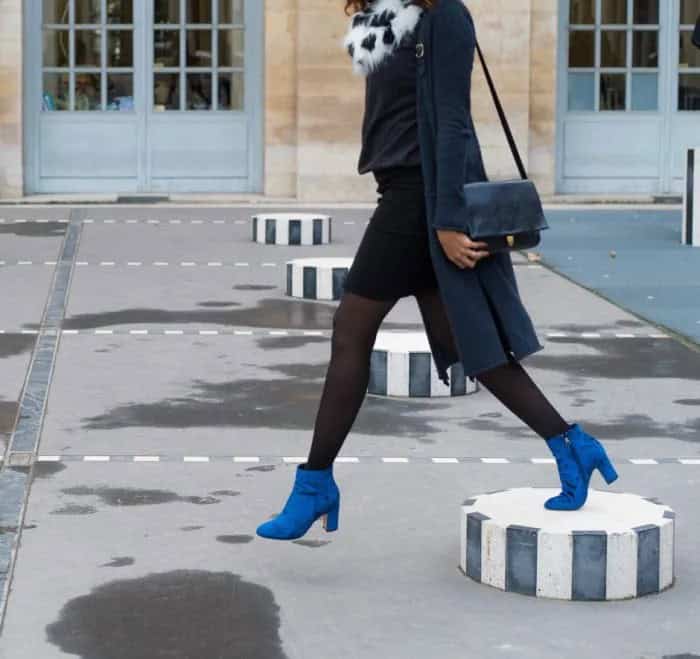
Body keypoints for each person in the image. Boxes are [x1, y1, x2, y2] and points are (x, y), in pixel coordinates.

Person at [256, 0, 618, 541]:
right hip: (400, 190)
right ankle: (571, 443)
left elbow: (452, 121)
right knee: (468, 343)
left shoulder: (444, 16)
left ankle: (315, 483)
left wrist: (447, 222)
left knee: (351, 330)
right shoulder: (382, 18)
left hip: (419, 200)